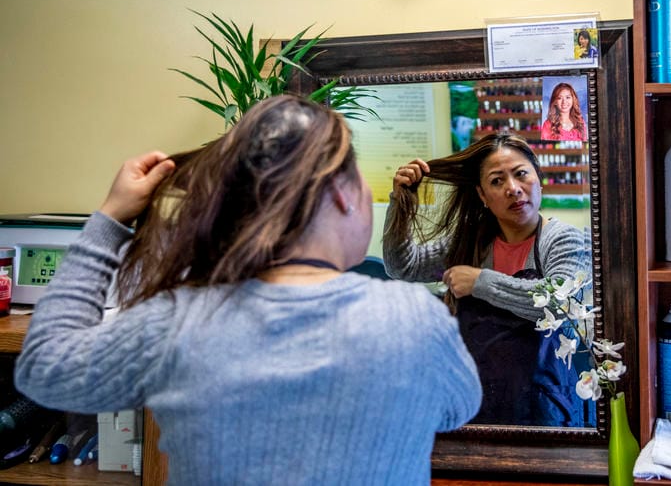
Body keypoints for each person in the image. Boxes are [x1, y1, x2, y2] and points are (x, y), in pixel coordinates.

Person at [14, 95, 481, 486]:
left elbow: (43, 370)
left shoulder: (177, 321)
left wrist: (109, 220)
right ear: (341, 193)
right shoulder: (415, 319)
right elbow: (457, 409)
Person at [383, 132, 591, 427]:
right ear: (482, 196)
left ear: (539, 179)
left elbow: (560, 304)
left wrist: (480, 282)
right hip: (477, 404)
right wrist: (401, 205)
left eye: (521, 174)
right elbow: (403, 267)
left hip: (546, 409)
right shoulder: (472, 243)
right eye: (497, 181)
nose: (513, 189)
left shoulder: (563, 240)